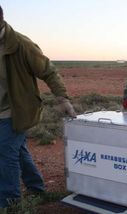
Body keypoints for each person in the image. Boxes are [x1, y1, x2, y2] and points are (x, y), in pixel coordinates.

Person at [0, 5, 76, 208]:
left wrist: (62, 98)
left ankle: (9, 203)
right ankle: (36, 188)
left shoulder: (21, 44)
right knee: (18, 150)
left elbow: (48, 71)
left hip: (17, 110)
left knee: (5, 153)